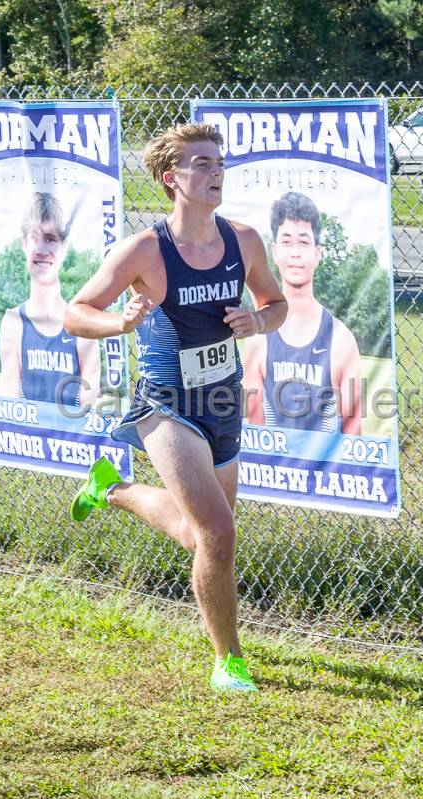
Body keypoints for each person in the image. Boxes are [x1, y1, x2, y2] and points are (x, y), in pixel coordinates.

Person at [62, 123, 287, 692]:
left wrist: (258, 320)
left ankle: (112, 490)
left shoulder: (244, 240)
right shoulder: (144, 249)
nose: (216, 173)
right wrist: (121, 322)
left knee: (199, 535)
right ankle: (229, 661)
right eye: (202, 164)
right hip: (166, 406)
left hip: (223, 399)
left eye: (219, 163)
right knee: (219, 534)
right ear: (173, 179)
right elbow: (75, 311)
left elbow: (277, 302)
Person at [242, 192, 363, 434]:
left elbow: (353, 433)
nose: (295, 253)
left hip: (324, 470)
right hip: (274, 470)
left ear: (317, 253)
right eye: (287, 242)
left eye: (304, 242)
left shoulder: (341, 339)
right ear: (274, 251)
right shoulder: (259, 339)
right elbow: (256, 430)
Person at [0, 193, 99, 408]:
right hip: (28, 439)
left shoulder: (82, 321)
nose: (42, 250)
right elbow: (10, 399)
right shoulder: (14, 321)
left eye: (51, 239)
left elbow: (89, 408)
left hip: (72, 439)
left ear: (64, 247)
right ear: (24, 243)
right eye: (35, 238)